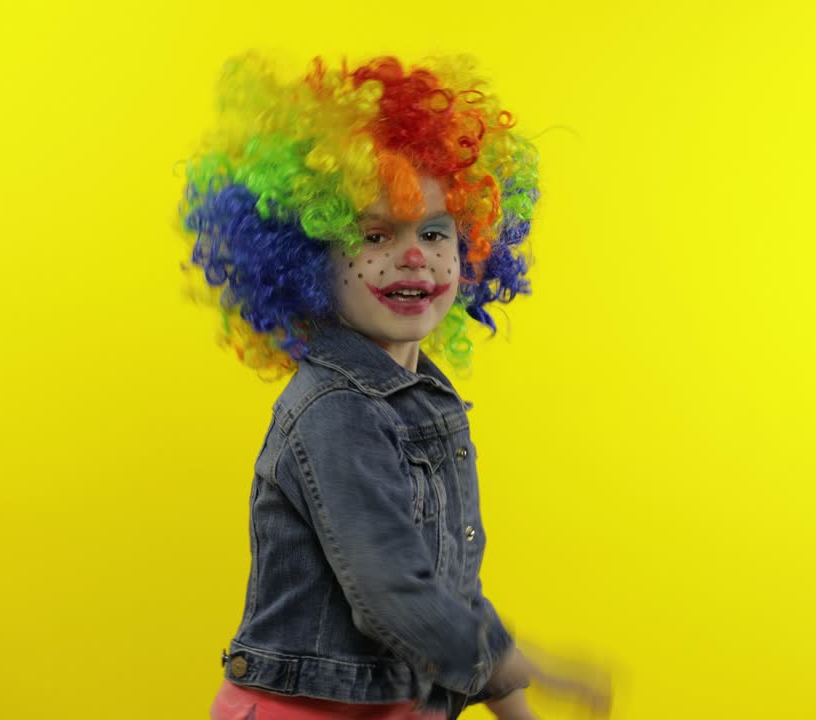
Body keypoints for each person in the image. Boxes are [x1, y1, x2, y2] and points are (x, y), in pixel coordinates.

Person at [178, 52, 611, 720]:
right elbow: (392, 594)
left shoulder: (425, 403)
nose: (414, 255)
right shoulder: (335, 411)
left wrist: (515, 708)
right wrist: (542, 667)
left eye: (435, 232)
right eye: (374, 234)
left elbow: (444, 587)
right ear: (307, 261)